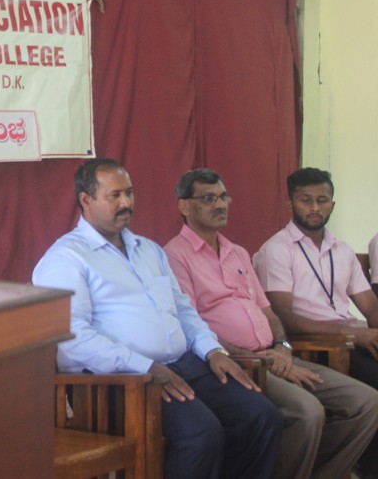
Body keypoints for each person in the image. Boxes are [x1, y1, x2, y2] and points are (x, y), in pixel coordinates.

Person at [32, 158, 281, 479]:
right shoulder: (66, 258)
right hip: (121, 381)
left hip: (185, 365)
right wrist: (144, 366)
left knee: (262, 417)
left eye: (130, 193)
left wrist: (212, 350)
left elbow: (184, 310)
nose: (126, 203)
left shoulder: (148, 250)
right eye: (115, 195)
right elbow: (73, 336)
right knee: (201, 434)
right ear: (86, 200)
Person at [164, 168, 378, 479]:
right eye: (208, 199)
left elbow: (269, 314)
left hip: (277, 354)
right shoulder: (174, 256)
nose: (220, 205)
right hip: (237, 361)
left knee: (367, 403)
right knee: (307, 412)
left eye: (223, 197)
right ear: (184, 206)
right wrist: (256, 357)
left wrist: (282, 346)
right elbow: (191, 326)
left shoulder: (237, 252)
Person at [254, 166, 378, 476]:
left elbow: (371, 308)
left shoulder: (342, 250)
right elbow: (286, 319)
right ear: (290, 204)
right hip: (314, 347)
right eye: (305, 200)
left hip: (350, 340)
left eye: (322, 200)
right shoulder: (277, 250)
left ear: (332, 204)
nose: (314, 208)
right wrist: (351, 334)